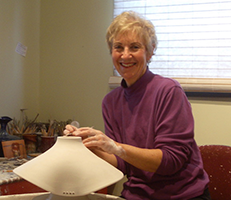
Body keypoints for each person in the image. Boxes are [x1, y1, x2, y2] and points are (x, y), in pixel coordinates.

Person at [64, 11, 210, 200]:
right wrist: (89, 146)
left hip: (182, 195)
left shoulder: (168, 91)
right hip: (137, 195)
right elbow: (121, 163)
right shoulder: (111, 102)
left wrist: (115, 146)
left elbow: (171, 161)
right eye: (118, 47)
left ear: (150, 51)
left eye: (134, 47)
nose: (125, 56)